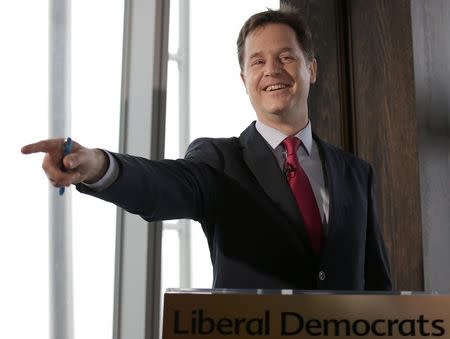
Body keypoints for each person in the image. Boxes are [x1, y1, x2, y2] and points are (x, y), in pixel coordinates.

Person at [22, 7, 392, 291]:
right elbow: (161, 185)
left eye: (286, 57)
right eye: (257, 61)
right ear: (244, 78)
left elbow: (378, 287)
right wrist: (99, 166)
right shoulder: (219, 162)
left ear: (310, 69)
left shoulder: (356, 173)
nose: (272, 71)